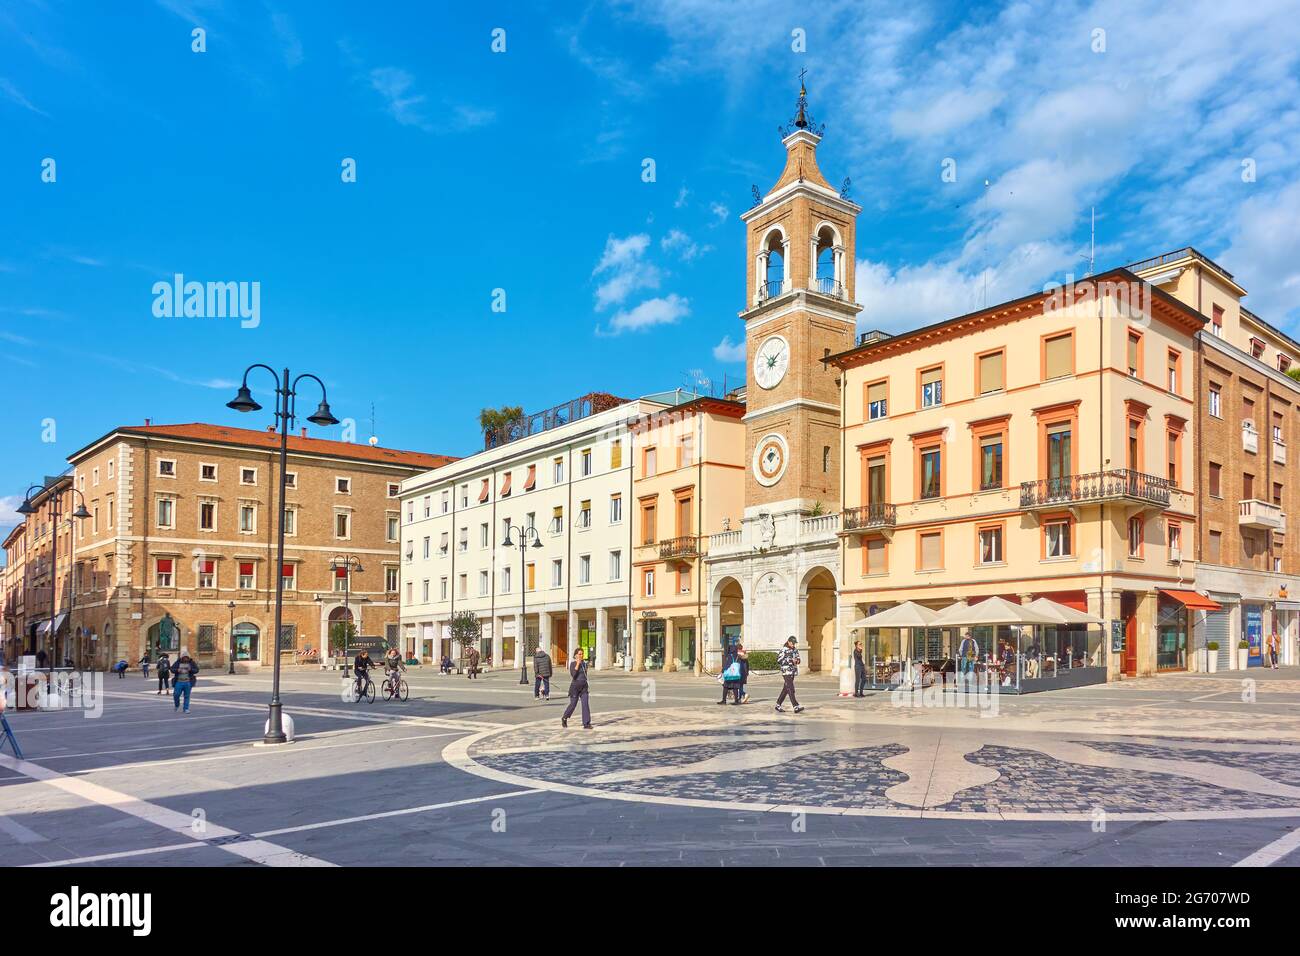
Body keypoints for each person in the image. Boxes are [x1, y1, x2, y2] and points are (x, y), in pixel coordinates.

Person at [561, 646, 592, 729]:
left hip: (584, 687)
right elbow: (574, 675)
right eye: (579, 654)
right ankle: (564, 717)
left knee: (585, 704)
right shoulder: (572, 664)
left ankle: (586, 723)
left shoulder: (584, 664)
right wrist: (578, 663)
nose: (581, 656)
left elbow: (585, 675)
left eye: (582, 654)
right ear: (575, 655)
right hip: (575, 687)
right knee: (573, 704)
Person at [775, 636, 803, 713]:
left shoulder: (795, 650)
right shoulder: (784, 650)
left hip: (793, 671)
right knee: (790, 688)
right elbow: (779, 660)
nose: (793, 645)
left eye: (794, 643)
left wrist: (797, 661)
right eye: (792, 643)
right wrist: (790, 660)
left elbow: (798, 659)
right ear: (788, 642)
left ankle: (778, 704)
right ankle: (795, 706)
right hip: (786, 671)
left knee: (786, 688)